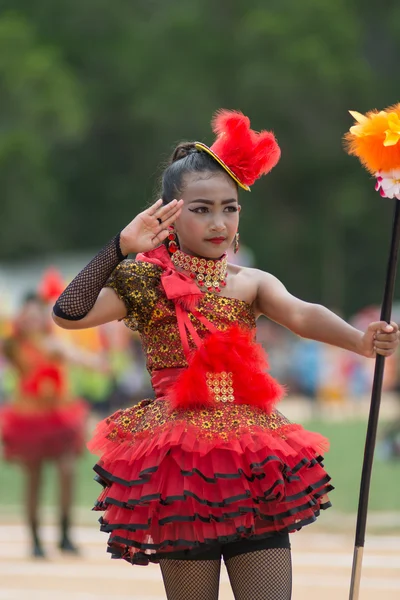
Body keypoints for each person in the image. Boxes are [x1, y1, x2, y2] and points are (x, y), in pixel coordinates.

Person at [52, 110, 399, 600]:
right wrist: (119, 247)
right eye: (201, 209)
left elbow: (303, 314)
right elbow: (69, 313)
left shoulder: (250, 282)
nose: (218, 222)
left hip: (253, 459)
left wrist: (361, 340)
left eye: (229, 208)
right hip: (179, 466)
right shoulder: (144, 280)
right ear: (169, 212)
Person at [0, 292, 88, 558]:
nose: (32, 320)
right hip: (29, 419)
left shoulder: (53, 343)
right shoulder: (14, 346)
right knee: (34, 478)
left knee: (67, 469)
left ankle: (64, 534)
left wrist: (95, 362)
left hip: (58, 416)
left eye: (36, 315)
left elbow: (73, 355)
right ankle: (36, 539)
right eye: (27, 316)